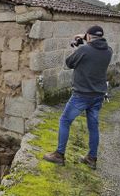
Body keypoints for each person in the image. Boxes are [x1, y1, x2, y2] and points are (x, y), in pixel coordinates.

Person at [43, 25, 113, 169]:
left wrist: (78, 44)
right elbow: (91, 56)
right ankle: (92, 158)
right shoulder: (108, 51)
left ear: (88, 36)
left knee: (64, 120)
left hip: (82, 95)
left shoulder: (84, 50)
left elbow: (69, 63)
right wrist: (86, 41)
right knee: (93, 126)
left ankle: (59, 155)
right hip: (98, 95)